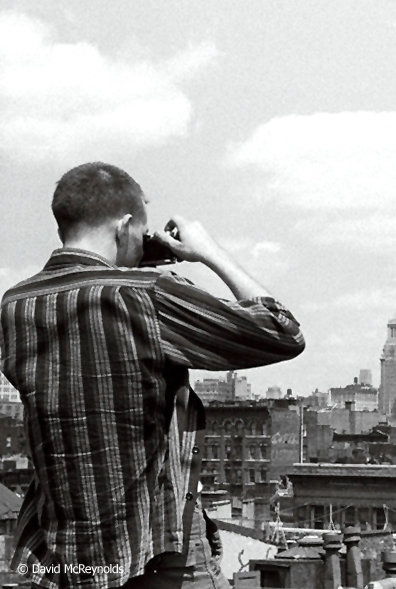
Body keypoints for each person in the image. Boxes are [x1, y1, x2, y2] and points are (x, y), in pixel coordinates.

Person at [0, 163, 306, 589]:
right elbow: (282, 331)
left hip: (58, 553)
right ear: (126, 227)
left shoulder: (17, 303)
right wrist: (208, 251)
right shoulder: (144, 295)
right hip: (147, 551)